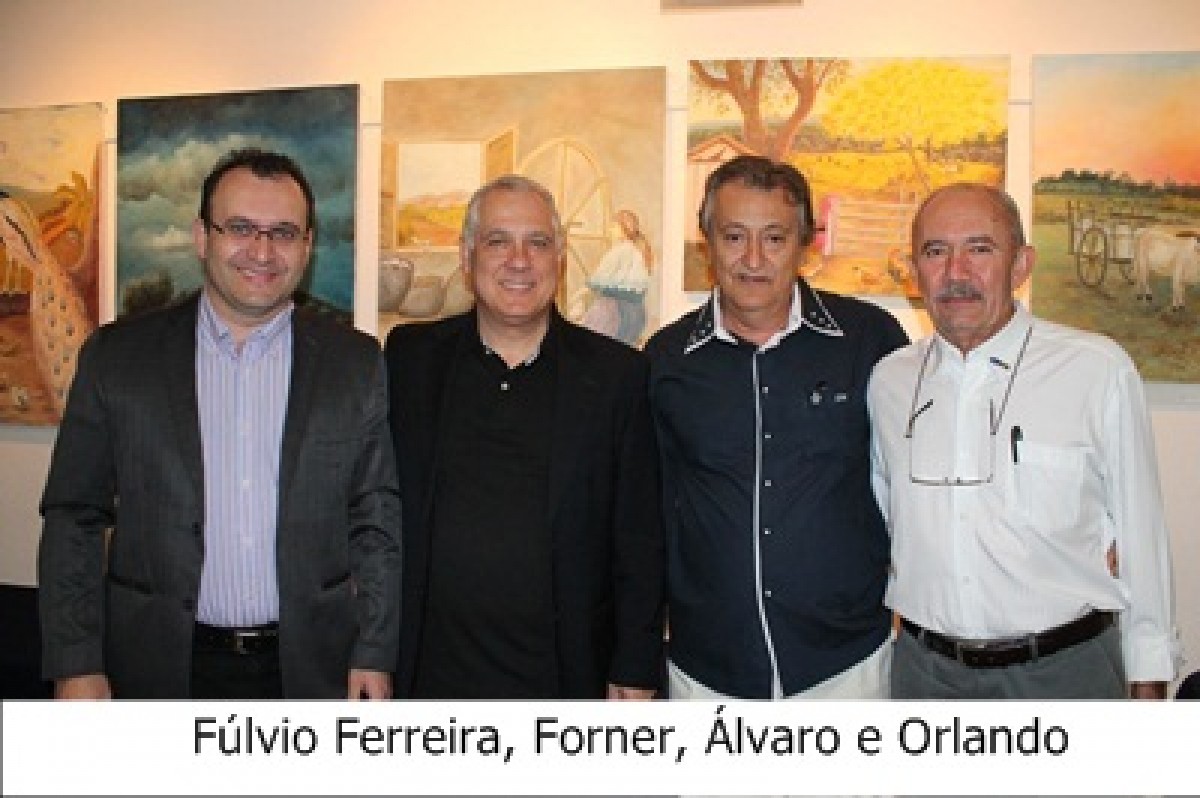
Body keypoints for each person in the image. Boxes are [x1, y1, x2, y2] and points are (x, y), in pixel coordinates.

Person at [38, 148, 401, 699]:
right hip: (155, 664)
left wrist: (374, 649)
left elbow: (376, 519)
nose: (262, 251)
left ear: (307, 247)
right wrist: (75, 663)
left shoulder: (355, 362)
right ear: (202, 237)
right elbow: (74, 516)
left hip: (311, 667)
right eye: (240, 228)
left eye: (283, 232)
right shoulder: (117, 357)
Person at [868, 182, 1179, 699]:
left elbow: (1140, 530)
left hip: (1065, 674)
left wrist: (1150, 670)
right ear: (914, 269)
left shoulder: (1095, 369)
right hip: (925, 676)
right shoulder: (889, 382)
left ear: (1021, 265)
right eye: (935, 251)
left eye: (980, 249)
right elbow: (884, 519)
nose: (956, 272)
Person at [384, 174, 664, 699]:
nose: (519, 261)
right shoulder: (409, 360)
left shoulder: (617, 376)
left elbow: (640, 537)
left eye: (537, 242)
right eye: (498, 241)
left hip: (567, 678)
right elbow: (372, 512)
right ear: (467, 257)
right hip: (427, 677)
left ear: (559, 258)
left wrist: (635, 666)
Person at [645, 155, 908, 699]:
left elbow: (915, 480)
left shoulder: (871, 340)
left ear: (805, 244)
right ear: (707, 244)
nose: (753, 259)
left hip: (848, 666)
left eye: (774, 238)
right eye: (733, 237)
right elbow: (644, 512)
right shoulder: (666, 358)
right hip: (706, 670)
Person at [582, 208, 653, 346]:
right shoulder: (638, 251)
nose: (610, 230)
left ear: (623, 228)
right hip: (637, 312)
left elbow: (599, 278)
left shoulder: (619, 251)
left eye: (613, 226)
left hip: (614, 309)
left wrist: (586, 289)